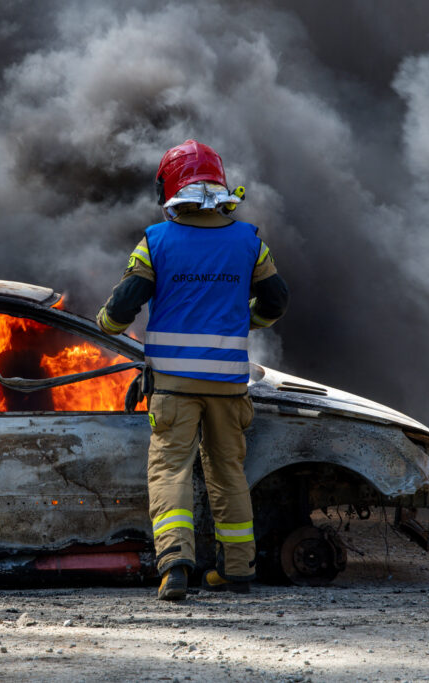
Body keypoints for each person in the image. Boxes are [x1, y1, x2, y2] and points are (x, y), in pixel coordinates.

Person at [96, 140, 289, 600]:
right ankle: (238, 569)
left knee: (170, 471)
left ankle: (176, 566)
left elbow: (125, 304)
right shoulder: (249, 242)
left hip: (174, 388)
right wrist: (250, 319)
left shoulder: (157, 241)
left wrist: (106, 324)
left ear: (171, 187)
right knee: (228, 472)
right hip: (228, 385)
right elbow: (277, 301)